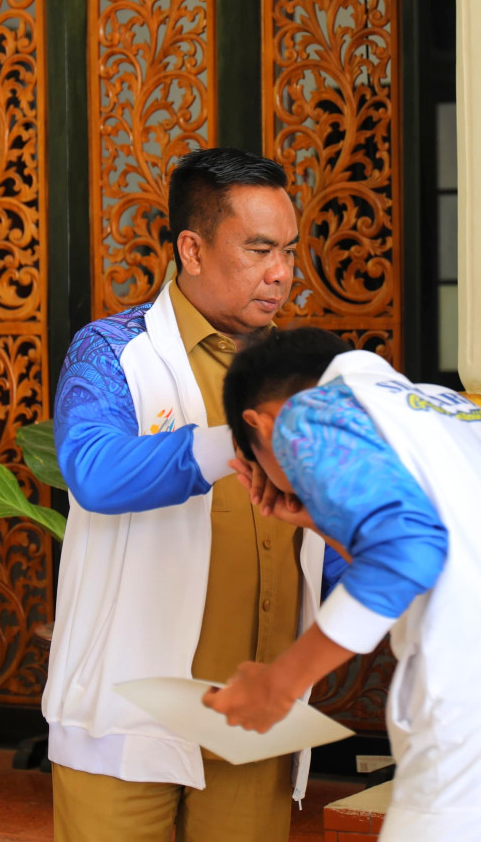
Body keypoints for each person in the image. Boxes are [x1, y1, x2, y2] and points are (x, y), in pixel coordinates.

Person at [205, 328, 481, 841]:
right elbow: (438, 557)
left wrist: (278, 685)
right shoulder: (456, 411)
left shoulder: (308, 414)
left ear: (259, 426)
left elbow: (408, 552)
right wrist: (319, 520)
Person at [43, 148, 329, 842]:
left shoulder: (304, 371)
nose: (281, 272)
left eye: (289, 250)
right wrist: (239, 442)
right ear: (192, 249)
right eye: (259, 249)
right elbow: (94, 469)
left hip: (250, 715)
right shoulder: (111, 352)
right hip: (128, 711)